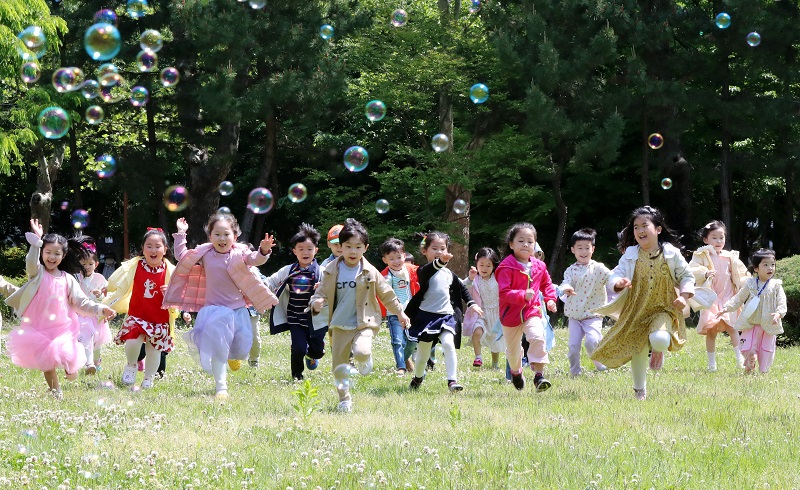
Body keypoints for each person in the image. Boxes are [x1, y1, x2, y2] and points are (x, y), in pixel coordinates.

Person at [163, 214, 278, 399]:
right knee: (219, 349)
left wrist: (263, 251)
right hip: (214, 311)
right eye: (217, 234)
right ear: (210, 237)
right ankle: (221, 387)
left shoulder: (240, 253)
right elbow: (182, 257)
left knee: (241, 349)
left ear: (235, 236)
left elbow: (255, 259)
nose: (222, 239)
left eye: (226, 234)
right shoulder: (206, 253)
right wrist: (181, 234)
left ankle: (234, 357)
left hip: (238, 310)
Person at [591, 206, 696, 400]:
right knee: (636, 348)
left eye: (644, 225)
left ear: (658, 229)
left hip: (664, 307)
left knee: (659, 339)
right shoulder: (630, 254)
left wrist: (684, 296)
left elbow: (686, 276)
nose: (639, 230)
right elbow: (615, 275)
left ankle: (657, 350)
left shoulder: (671, 253)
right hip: (636, 309)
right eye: (636, 227)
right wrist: (618, 283)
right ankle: (640, 390)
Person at [5, 219, 115, 399]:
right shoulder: (37, 274)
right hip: (39, 328)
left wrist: (100, 309)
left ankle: (72, 369)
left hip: (63, 327)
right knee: (46, 364)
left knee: (70, 368)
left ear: (63, 256)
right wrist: (36, 243)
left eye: (57, 253)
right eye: (48, 252)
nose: (52, 257)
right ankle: (56, 391)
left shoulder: (67, 279)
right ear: (42, 254)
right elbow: (31, 264)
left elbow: (81, 302)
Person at [310, 218, 409, 412]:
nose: (352, 251)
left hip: (364, 321)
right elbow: (319, 293)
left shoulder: (370, 271)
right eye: (348, 246)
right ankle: (344, 400)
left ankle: (365, 360)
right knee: (339, 365)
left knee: (362, 352)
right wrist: (316, 303)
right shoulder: (330, 270)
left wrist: (400, 312)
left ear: (365, 247)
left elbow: (387, 294)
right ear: (341, 247)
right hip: (339, 323)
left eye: (358, 247)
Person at [405, 231, 482, 393]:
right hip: (426, 317)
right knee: (423, 355)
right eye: (435, 248)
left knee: (448, 344)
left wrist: (472, 303)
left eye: (443, 248)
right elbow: (431, 269)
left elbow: (462, 288)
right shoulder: (422, 271)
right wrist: (440, 261)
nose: (440, 252)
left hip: (446, 316)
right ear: (424, 251)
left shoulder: (449, 274)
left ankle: (452, 381)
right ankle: (418, 377)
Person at [106, 228, 179, 389]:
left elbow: (181, 294)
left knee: (154, 350)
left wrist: (171, 293)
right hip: (137, 315)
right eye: (149, 246)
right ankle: (131, 365)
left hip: (159, 319)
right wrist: (107, 291)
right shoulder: (134, 265)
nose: (153, 250)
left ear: (165, 249)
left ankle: (148, 378)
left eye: (157, 246)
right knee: (132, 341)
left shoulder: (171, 271)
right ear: (143, 248)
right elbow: (115, 281)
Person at [496, 223, 557, 392]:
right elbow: (504, 293)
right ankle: (516, 372)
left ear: (535, 245)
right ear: (511, 244)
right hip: (510, 315)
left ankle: (539, 376)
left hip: (532, 311)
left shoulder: (539, 266)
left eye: (530, 241)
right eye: (521, 240)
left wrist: (551, 299)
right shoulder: (505, 267)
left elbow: (547, 285)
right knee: (514, 352)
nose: (525, 244)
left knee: (537, 337)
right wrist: (522, 294)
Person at [266, 223, 327, 380]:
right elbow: (271, 281)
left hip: (315, 319)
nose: (305, 252)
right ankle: (297, 376)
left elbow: (332, 290)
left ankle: (312, 354)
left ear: (316, 251)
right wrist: (262, 288)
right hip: (295, 318)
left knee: (317, 351)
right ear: (294, 251)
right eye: (301, 249)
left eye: (309, 249)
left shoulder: (321, 272)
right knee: (298, 348)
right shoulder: (289, 270)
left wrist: (323, 289)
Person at [688, 221, 748, 371]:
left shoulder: (730, 257)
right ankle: (711, 364)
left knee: (733, 328)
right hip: (711, 298)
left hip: (728, 296)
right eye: (714, 238)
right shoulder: (701, 255)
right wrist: (705, 272)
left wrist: (747, 285)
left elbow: (742, 273)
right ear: (706, 240)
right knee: (712, 330)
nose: (719, 241)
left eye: (721, 237)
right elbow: (692, 270)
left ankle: (740, 360)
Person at [718, 249, 787, 374]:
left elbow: (782, 302)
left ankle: (763, 371)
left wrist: (778, 313)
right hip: (750, 322)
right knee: (747, 347)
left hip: (769, 324)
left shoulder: (776, 285)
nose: (770, 267)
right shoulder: (750, 283)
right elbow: (739, 298)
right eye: (765, 265)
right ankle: (750, 361)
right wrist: (726, 308)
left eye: (772, 264)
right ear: (756, 268)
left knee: (766, 349)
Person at [558, 228, 611, 376]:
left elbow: (611, 278)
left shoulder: (598, 268)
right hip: (575, 316)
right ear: (573, 249)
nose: (583, 251)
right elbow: (565, 283)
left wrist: (620, 282)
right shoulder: (570, 270)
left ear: (593, 249)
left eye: (587, 248)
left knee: (592, 341)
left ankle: (598, 363)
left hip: (593, 314)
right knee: (573, 346)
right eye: (579, 248)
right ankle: (575, 371)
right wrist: (566, 288)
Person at [379, 238, 420, 374]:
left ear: (404, 256)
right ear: (385, 260)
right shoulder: (386, 277)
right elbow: (384, 296)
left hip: (411, 313)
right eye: (391, 259)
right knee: (398, 341)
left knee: (412, 341)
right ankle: (401, 367)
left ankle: (407, 360)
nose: (396, 261)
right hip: (394, 314)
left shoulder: (410, 271)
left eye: (399, 257)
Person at [73, 236, 113, 375]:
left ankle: (96, 362)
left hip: (96, 314)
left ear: (96, 264)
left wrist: (99, 295)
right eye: (83, 264)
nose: (87, 267)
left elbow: (106, 297)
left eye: (90, 264)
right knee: (86, 336)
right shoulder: (77, 278)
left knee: (97, 341)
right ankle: (88, 363)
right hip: (82, 314)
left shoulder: (100, 279)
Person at [463, 247, 503, 369]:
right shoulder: (475, 278)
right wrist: (470, 278)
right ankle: (478, 357)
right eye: (481, 265)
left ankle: (495, 364)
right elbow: (464, 287)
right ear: (476, 264)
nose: (484, 268)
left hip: (496, 313)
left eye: (488, 265)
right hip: (481, 312)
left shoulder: (498, 277)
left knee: (495, 340)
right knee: (477, 332)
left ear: (494, 266)